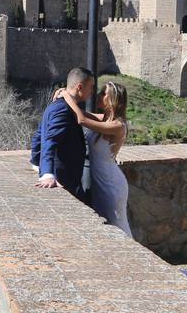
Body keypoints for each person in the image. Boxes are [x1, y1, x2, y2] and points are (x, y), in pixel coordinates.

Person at [55, 80, 132, 237]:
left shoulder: (118, 125)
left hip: (112, 183)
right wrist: (67, 95)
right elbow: (81, 113)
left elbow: (82, 119)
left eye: (104, 93)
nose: (98, 95)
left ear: (113, 100)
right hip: (100, 179)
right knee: (107, 225)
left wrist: (66, 95)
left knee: (117, 224)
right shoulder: (104, 119)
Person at [30, 67, 94, 205]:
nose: (92, 92)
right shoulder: (63, 109)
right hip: (64, 179)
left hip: (69, 178)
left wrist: (36, 161)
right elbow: (50, 140)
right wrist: (47, 173)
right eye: (91, 87)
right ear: (80, 87)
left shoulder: (57, 105)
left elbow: (38, 136)